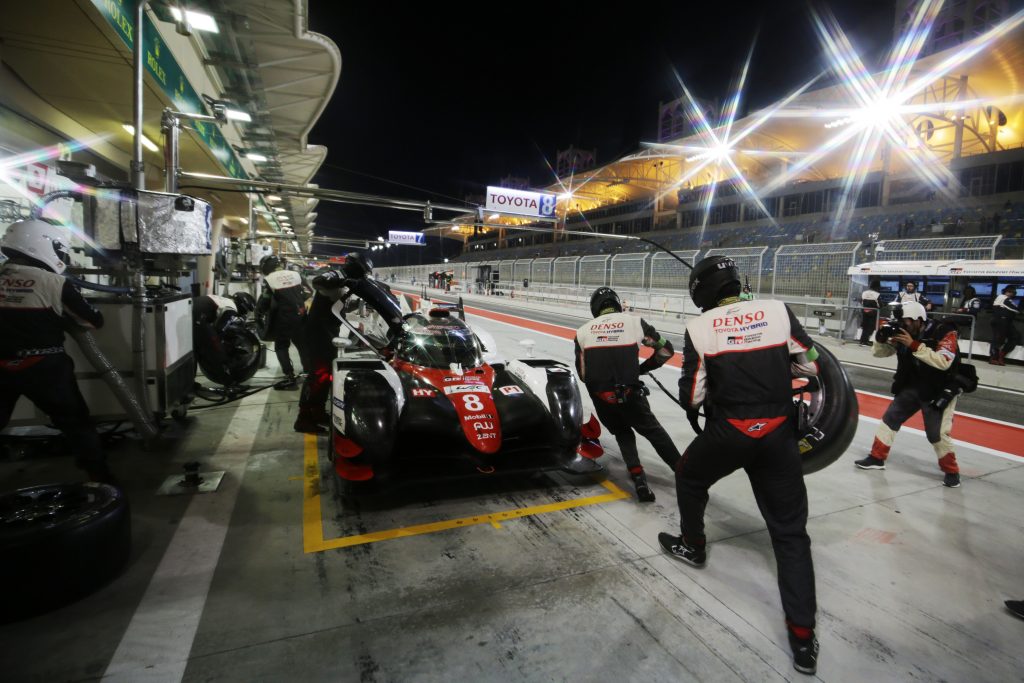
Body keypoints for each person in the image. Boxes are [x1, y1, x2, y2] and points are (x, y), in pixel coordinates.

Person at [661, 255, 821, 675]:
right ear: (737, 282)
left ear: (701, 292)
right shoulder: (778, 310)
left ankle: (693, 546)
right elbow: (811, 363)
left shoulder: (699, 327)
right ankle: (803, 639)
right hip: (779, 434)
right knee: (789, 533)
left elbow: (692, 397)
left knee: (690, 475)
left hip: (728, 433)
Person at [0, 220, 112, 482]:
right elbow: (92, 320)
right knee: (76, 423)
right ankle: (101, 478)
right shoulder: (53, 283)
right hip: (44, 365)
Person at [574, 287, 680, 502]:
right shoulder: (635, 322)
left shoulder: (582, 332)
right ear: (617, 303)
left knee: (622, 433)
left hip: (603, 399)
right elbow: (665, 350)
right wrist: (643, 368)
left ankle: (637, 475)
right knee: (654, 432)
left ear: (595, 309)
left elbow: (583, 374)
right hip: (630, 394)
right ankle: (684, 472)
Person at [855, 301, 963, 487]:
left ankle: (952, 471)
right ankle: (877, 458)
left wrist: (913, 344)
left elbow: (944, 361)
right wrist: (881, 340)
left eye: (905, 321)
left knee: (936, 434)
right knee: (890, 419)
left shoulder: (944, 331)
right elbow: (880, 354)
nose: (902, 326)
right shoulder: (904, 332)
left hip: (938, 388)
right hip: (912, 385)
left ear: (918, 320)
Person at [258, 255, 308, 386]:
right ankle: (308, 371)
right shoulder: (296, 274)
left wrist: (260, 312)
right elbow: (309, 291)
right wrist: (299, 300)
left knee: (281, 346)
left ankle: (289, 374)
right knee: (303, 345)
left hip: (283, 318)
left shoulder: (269, 279)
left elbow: (265, 300)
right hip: (301, 315)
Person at [989, 285, 1020, 365]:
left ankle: (1001, 354)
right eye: (1009, 291)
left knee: (1015, 337)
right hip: (1000, 320)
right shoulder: (1002, 297)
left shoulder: (1008, 299)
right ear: (1005, 291)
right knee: (998, 339)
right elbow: (1015, 309)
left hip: (1007, 321)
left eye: (1013, 292)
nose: (1011, 293)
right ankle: (994, 358)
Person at [859, 278, 881, 345]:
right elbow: (879, 304)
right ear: (877, 286)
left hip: (864, 312)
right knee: (870, 328)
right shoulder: (877, 294)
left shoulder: (864, 293)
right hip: (873, 313)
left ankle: (862, 340)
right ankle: (865, 341)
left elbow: (861, 302)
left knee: (865, 327)